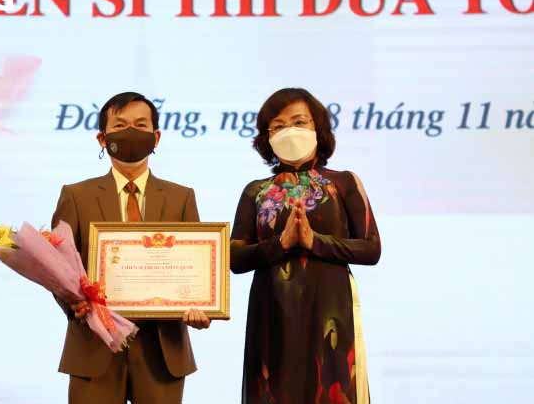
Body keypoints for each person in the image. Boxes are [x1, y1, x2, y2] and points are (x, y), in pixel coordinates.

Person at [51, 92, 210, 404]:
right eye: (121, 125)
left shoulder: (181, 198)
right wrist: (74, 302)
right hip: (94, 346)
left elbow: (196, 272)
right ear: (102, 138)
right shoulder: (76, 196)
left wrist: (200, 306)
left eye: (140, 125)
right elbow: (59, 267)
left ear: (156, 137)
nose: (131, 133)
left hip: (161, 351)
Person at [230, 88, 381, 404]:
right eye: (279, 126)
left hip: (329, 311)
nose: (290, 132)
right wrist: (280, 244)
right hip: (271, 312)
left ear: (318, 128)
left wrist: (315, 242)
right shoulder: (255, 191)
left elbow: (371, 249)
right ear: (266, 137)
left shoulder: (344, 182)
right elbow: (235, 257)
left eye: (299, 122)